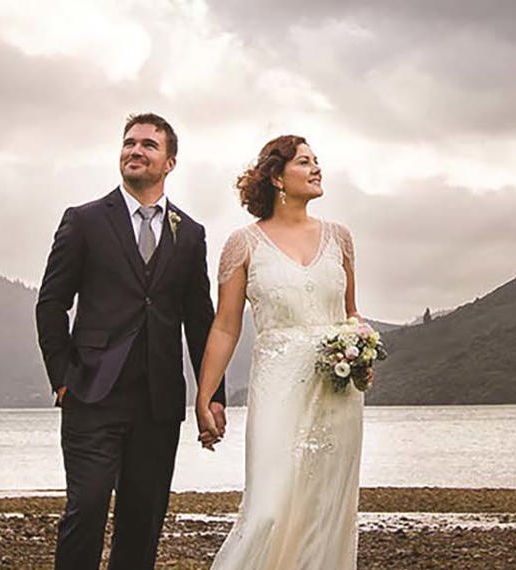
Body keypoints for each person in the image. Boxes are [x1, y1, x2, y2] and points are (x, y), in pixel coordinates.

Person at [34, 113, 226, 569]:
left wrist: (211, 395)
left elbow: (200, 322)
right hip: (91, 394)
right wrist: (62, 378)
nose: (135, 151)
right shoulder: (83, 221)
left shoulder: (191, 233)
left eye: (148, 145)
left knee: (143, 522)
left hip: (158, 403)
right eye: (129, 143)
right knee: (87, 510)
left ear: (170, 162)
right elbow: (51, 304)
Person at [195, 135, 366, 569]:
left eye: (316, 161)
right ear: (276, 177)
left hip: (337, 392)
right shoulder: (244, 244)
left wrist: (362, 350)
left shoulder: (340, 239)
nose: (316, 168)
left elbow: (351, 313)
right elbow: (225, 326)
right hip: (277, 389)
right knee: (268, 509)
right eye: (304, 162)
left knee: (325, 512)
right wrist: (205, 395)